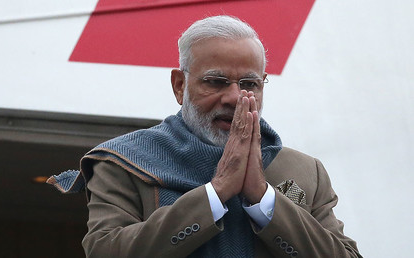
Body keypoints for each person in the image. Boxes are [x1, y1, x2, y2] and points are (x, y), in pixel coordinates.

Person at [49, 15, 361, 257]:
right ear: (179, 85)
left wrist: (263, 198)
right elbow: (105, 252)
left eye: (250, 84)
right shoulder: (126, 161)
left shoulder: (303, 172)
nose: (234, 97)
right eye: (216, 81)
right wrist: (219, 190)